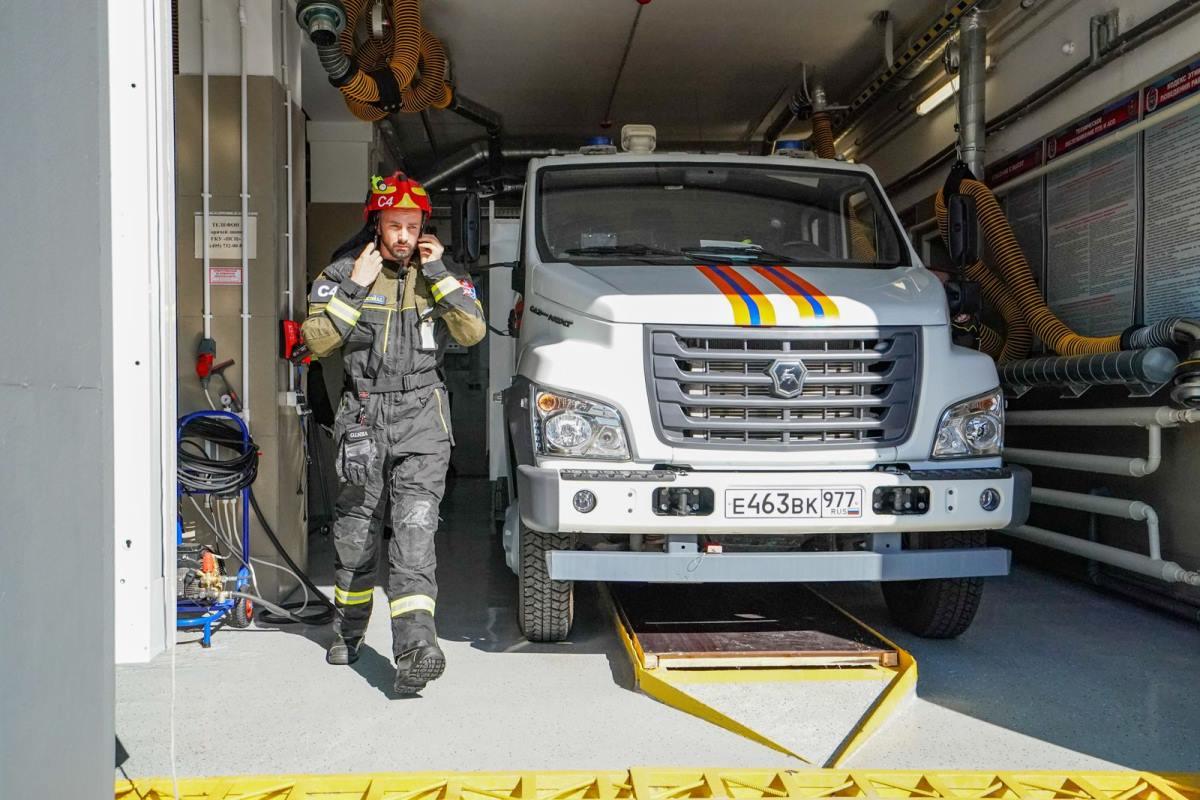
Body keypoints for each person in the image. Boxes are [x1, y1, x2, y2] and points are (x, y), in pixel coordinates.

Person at [301, 172, 486, 694]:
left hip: (423, 414)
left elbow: (472, 332)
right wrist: (355, 287)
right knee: (356, 532)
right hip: (363, 415)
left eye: (411, 225)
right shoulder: (342, 273)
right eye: (393, 225)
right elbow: (316, 343)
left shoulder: (441, 275)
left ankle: (415, 647)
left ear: (424, 227)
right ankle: (348, 629)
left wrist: (442, 272)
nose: (403, 235)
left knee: (415, 529)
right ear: (375, 225)